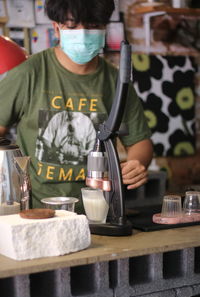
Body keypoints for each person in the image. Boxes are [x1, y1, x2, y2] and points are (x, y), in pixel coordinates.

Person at [0, 0, 153, 212]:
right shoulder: (30, 74)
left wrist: (137, 163)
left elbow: (139, 142)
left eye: (92, 26)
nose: (82, 34)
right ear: (57, 27)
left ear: (104, 28)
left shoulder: (115, 82)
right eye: (72, 27)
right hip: (36, 210)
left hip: (97, 211)